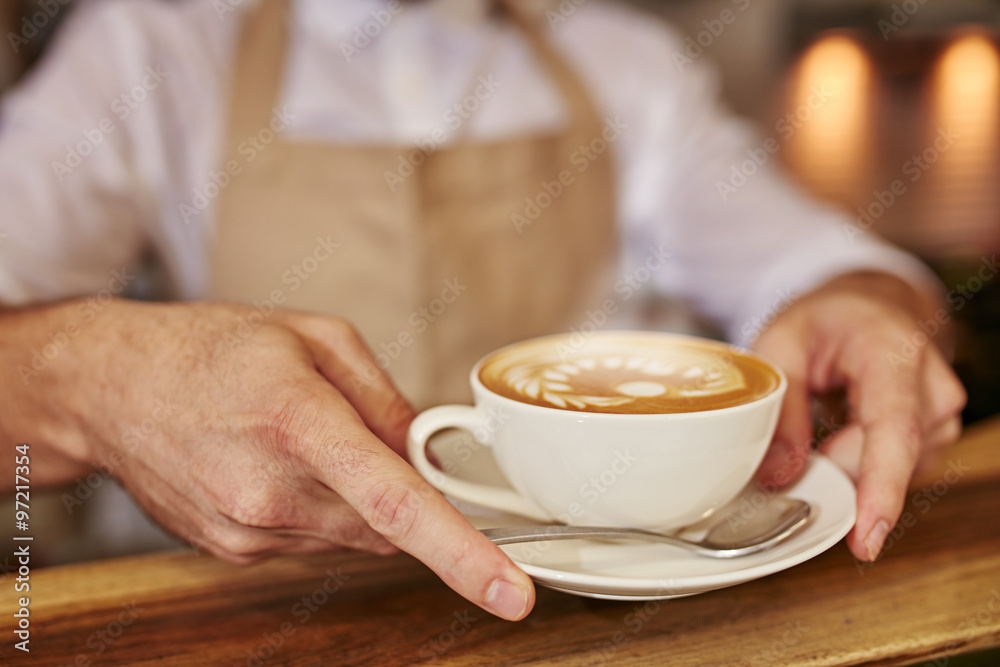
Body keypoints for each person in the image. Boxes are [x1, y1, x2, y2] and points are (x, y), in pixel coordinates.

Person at [0, 0, 966, 621]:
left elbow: (821, 264)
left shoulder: (624, 61)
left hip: (622, 633)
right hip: (284, 621)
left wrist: (874, 307)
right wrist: (91, 378)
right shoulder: (153, 41)